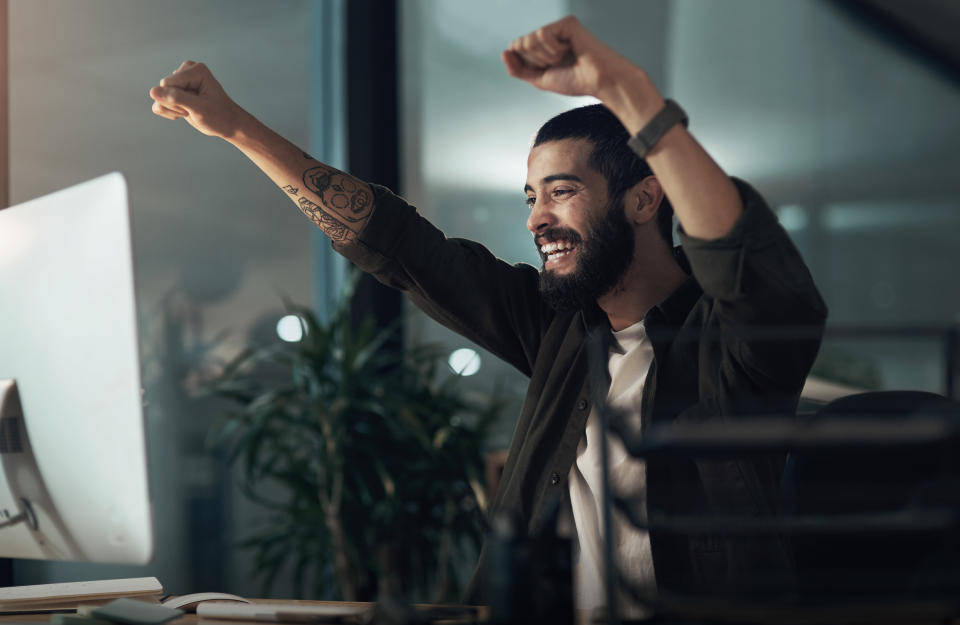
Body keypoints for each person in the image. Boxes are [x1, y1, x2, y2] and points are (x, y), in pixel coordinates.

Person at [150, 15, 826, 617]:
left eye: (562, 192)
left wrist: (627, 90)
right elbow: (399, 246)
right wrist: (235, 126)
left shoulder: (734, 346)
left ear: (646, 200)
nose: (536, 218)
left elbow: (748, 268)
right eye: (532, 196)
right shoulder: (561, 329)